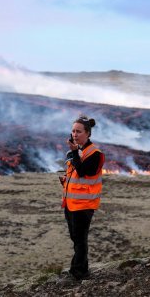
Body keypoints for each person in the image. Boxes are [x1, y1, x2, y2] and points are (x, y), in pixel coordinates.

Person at [60, 115, 105, 280]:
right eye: (73, 131)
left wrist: (73, 153)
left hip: (84, 204)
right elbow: (76, 175)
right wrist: (66, 181)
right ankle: (78, 269)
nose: (74, 134)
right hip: (71, 203)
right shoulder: (76, 151)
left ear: (88, 133)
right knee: (75, 238)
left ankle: (79, 272)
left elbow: (84, 172)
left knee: (80, 239)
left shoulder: (94, 154)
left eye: (78, 131)